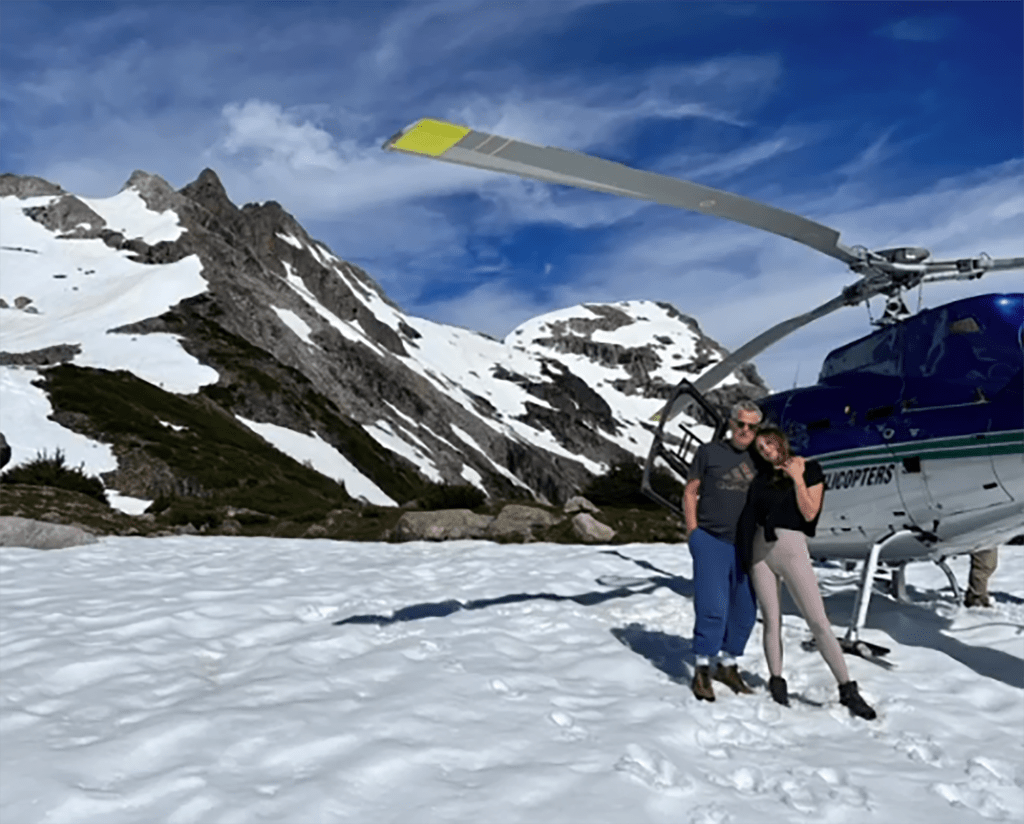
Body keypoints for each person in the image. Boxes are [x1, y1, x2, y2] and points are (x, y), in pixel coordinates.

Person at [737, 425, 877, 720]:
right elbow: (750, 514)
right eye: (760, 449)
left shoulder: (809, 468)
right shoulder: (760, 479)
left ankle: (847, 689)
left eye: (769, 444)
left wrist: (797, 478)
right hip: (760, 552)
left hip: (791, 547)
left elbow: (810, 512)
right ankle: (777, 682)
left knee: (818, 621)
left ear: (781, 442)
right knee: (771, 620)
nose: (766, 451)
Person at [682, 400, 762, 702]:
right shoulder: (708, 452)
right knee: (713, 606)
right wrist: (693, 532)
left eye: (752, 427)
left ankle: (728, 665)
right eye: (741, 424)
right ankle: (702, 667)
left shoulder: (760, 459)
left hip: (746, 545)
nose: (745, 430)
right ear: (730, 423)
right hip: (711, 539)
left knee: (744, 611)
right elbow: (691, 491)